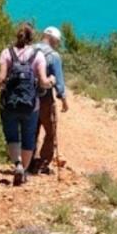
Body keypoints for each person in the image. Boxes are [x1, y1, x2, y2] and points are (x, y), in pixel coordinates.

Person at [0, 24, 53, 185]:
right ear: (31, 37)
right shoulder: (38, 55)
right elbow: (43, 82)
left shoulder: (7, 53)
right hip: (31, 105)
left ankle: (18, 165)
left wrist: (0, 84)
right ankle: (24, 171)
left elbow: (0, 79)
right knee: (28, 139)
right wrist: (51, 81)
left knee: (12, 136)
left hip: (9, 104)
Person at [34, 26, 68, 175]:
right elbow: (59, 82)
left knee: (31, 130)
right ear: (53, 39)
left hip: (28, 97)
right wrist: (64, 100)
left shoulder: (30, 49)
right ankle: (43, 163)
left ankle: (28, 160)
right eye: (57, 42)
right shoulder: (53, 56)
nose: (57, 44)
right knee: (50, 130)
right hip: (45, 98)